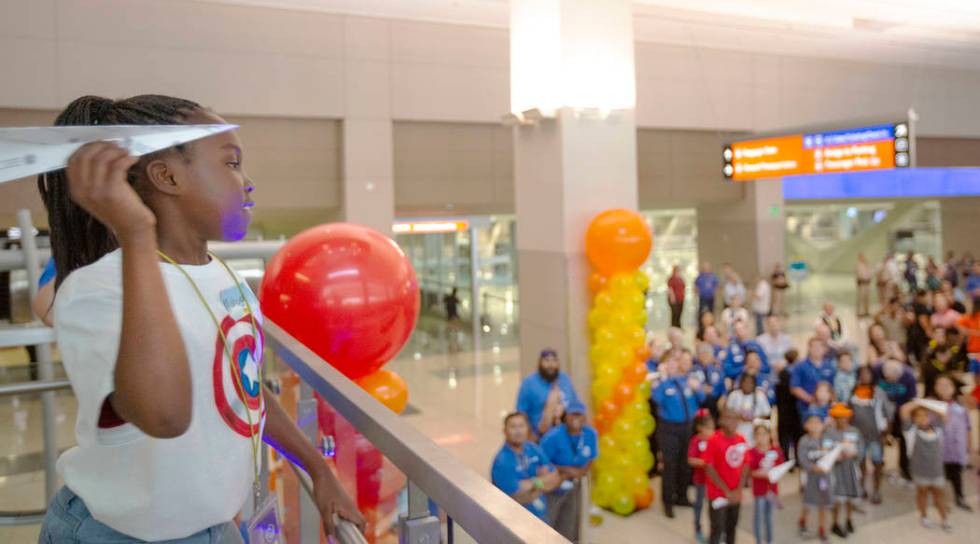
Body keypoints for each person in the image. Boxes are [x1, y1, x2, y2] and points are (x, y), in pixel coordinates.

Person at [36, 95, 365, 541]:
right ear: (166, 176)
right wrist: (136, 233)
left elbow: (243, 391)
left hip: (213, 527)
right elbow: (164, 416)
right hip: (116, 534)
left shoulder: (223, 276)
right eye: (231, 164)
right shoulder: (100, 288)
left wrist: (317, 467)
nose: (247, 182)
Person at [652, 356, 704, 517]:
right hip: (669, 429)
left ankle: (682, 496)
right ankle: (667, 502)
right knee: (670, 465)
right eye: (670, 365)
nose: (673, 367)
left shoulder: (686, 381)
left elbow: (701, 399)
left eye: (675, 364)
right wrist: (663, 378)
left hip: (687, 427)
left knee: (684, 463)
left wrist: (697, 389)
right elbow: (656, 399)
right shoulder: (661, 384)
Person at [539, 400, 598, 541]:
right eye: (573, 415)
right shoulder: (552, 437)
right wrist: (567, 471)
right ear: (565, 417)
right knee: (549, 521)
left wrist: (581, 471)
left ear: (585, 418)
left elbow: (591, 457)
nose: (576, 419)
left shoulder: (590, 434)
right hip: (553, 487)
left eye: (580, 415)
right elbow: (542, 464)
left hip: (575, 486)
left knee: (570, 521)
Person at [491, 412, 561, 520]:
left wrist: (532, 483)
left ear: (527, 429)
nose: (518, 431)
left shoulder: (532, 448)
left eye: (521, 426)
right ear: (505, 431)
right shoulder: (503, 461)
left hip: (541, 518)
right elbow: (515, 499)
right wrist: (542, 483)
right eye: (513, 427)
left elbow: (555, 477)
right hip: (517, 522)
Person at [899, 399, 951, 531]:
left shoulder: (938, 429)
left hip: (937, 471)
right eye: (919, 416)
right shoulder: (911, 431)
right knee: (922, 493)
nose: (923, 418)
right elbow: (904, 410)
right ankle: (924, 517)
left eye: (926, 415)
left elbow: (944, 413)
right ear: (914, 419)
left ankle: (944, 519)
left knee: (939, 495)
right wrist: (920, 402)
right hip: (920, 472)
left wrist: (928, 406)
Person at [703, 409, 749, 544]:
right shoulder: (713, 440)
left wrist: (738, 490)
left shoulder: (741, 439)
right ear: (721, 420)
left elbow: (745, 465)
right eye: (728, 418)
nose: (732, 422)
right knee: (717, 529)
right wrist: (726, 491)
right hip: (718, 494)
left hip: (735, 494)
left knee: (732, 528)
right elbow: (709, 468)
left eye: (735, 419)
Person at [516, 349, 582, 438]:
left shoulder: (565, 379)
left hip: (567, 436)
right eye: (546, 361)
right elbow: (521, 413)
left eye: (554, 361)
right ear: (540, 363)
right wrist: (530, 437)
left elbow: (575, 405)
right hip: (539, 437)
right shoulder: (529, 383)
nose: (551, 365)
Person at [874, 358, 918, 482]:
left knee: (903, 439)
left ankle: (904, 467)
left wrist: (905, 415)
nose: (889, 381)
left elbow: (912, 399)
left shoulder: (909, 376)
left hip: (901, 409)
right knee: (880, 437)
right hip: (882, 409)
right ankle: (879, 464)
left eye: (892, 379)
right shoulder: (877, 369)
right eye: (886, 378)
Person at [849, 365, 889, 504]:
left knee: (877, 462)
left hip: (876, 436)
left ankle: (877, 490)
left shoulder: (879, 392)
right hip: (858, 436)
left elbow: (887, 414)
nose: (865, 376)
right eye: (862, 373)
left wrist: (886, 435)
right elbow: (850, 415)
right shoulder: (853, 393)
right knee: (860, 462)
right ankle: (862, 488)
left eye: (868, 373)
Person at [933, 375, 972, 512]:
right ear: (935, 388)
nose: (944, 388)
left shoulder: (961, 408)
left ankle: (959, 497)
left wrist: (969, 448)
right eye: (940, 385)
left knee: (957, 475)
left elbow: (968, 428)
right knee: (940, 477)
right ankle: (941, 500)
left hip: (956, 451)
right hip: (939, 451)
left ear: (954, 388)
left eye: (947, 385)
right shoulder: (932, 408)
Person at [825, 403, 862, 538]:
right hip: (836, 471)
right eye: (838, 418)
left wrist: (854, 454)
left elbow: (860, 449)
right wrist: (835, 456)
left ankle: (848, 519)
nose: (841, 420)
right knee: (837, 499)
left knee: (850, 498)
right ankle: (835, 523)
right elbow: (826, 449)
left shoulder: (854, 432)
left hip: (851, 470)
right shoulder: (829, 433)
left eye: (844, 417)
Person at [797, 411, 833, 544]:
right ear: (805, 425)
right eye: (811, 422)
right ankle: (803, 521)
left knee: (823, 502)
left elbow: (832, 454)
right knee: (808, 502)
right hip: (810, 477)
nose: (815, 425)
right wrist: (813, 467)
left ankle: (822, 528)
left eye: (818, 422)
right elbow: (802, 459)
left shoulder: (826, 439)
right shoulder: (804, 441)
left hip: (823, 478)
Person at [748, 425, 783, 544]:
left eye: (764, 434)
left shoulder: (776, 450)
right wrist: (764, 474)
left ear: (769, 436)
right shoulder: (752, 452)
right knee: (758, 517)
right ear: (755, 437)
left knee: (770, 517)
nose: (762, 437)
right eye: (758, 434)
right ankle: (758, 540)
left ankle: (770, 540)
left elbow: (780, 467)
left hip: (772, 490)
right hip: (759, 490)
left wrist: (774, 474)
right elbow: (750, 471)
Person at [790, 338, 836, 419]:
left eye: (819, 346)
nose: (816, 349)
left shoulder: (830, 366)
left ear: (824, 349)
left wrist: (831, 401)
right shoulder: (800, 366)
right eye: (814, 346)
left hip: (828, 408)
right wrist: (812, 400)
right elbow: (794, 388)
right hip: (806, 408)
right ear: (809, 348)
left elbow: (833, 387)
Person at [688, 411, 716, 544]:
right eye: (708, 428)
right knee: (699, 505)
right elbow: (690, 459)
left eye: (712, 428)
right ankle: (698, 530)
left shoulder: (715, 440)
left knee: (713, 507)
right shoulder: (696, 441)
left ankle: (714, 531)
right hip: (700, 480)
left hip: (713, 481)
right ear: (700, 428)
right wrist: (703, 463)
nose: (711, 431)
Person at [724, 373, 771, 446]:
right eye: (745, 382)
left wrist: (754, 418)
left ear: (754, 384)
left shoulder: (760, 396)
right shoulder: (734, 395)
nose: (747, 385)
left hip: (754, 429)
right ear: (741, 383)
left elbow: (767, 415)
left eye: (750, 383)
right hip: (737, 428)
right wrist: (738, 416)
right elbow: (727, 412)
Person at [775, 348, 803, 465]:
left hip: (784, 410)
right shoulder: (796, 373)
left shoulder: (782, 374)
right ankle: (797, 460)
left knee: (786, 436)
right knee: (796, 436)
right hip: (794, 410)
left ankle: (786, 460)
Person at [695, 343, 726, 420]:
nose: (705, 357)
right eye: (703, 354)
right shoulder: (693, 370)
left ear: (712, 356)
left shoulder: (718, 370)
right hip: (700, 400)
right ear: (698, 356)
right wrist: (701, 388)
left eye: (707, 354)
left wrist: (723, 396)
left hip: (715, 400)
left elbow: (723, 388)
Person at [906, 289, 933, 366]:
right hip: (920, 335)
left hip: (911, 334)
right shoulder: (922, 306)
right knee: (922, 354)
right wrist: (929, 331)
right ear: (922, 296)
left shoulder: (911, 305)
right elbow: (922, 320)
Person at [856, 253, 872, 318]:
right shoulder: (858, 265)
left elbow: (869, 273)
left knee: (867, 298)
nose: (863, 258)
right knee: (861, 298)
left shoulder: (866, 265)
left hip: (867, 283)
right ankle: (860, 312)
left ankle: (866, 311)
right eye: (862, 257)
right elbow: (859, 275)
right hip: (862, 283)